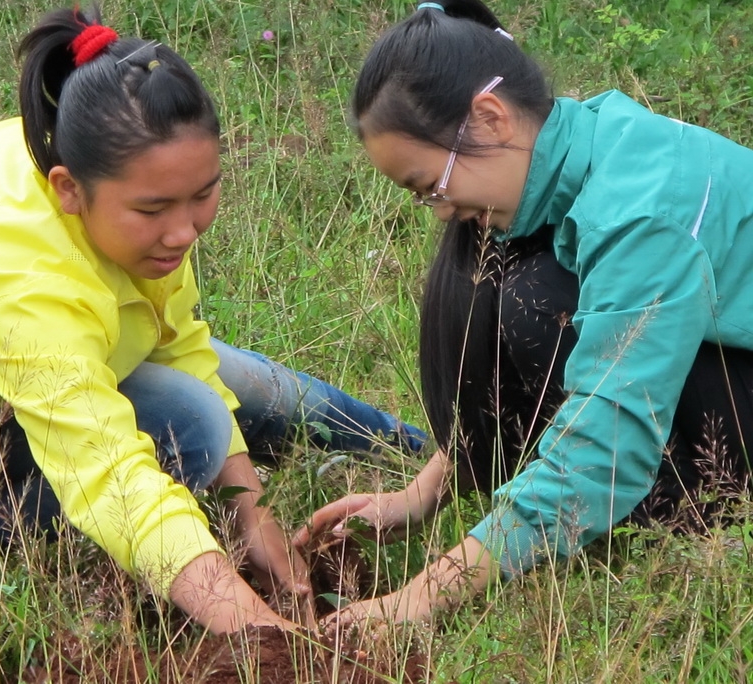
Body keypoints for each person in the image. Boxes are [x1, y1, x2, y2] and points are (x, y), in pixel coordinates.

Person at [0, 6, 427, 635]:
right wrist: (259, 632)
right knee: (197, 422)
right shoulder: (19, 275)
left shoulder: (118, 155)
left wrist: (252, 515)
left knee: (243, 388)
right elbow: (109, 474)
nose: (183, 230)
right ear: (69, 191)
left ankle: (436, 457)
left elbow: (181, 343)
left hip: (58, 345)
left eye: (203, 194)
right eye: (154, 209)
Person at [295, 0, 753, 625]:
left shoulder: (640, 216)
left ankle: (709, 522)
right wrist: (418, 495)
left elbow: (606, 444)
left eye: (429, 185)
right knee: (528, 286)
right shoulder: (585, 148)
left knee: (535, 303)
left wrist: (420, 597)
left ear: (489, 117)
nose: (438, 209)